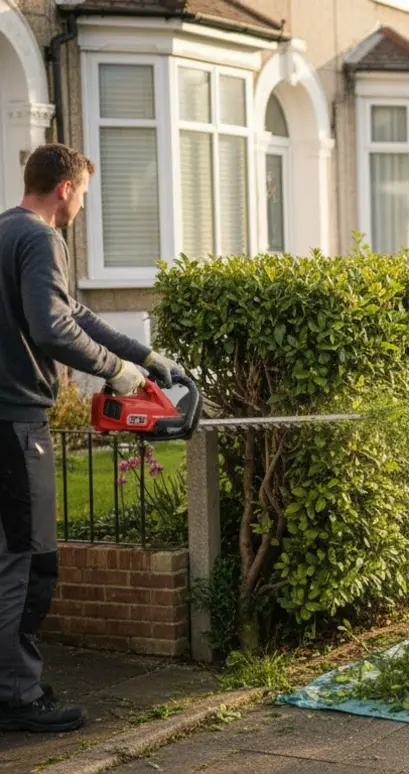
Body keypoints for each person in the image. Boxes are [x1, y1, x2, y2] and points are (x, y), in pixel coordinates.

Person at [0, 144, 183, 733]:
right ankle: (17, 700)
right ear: (66, 188)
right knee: (30, 565)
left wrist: (146, 357)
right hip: (16, 420)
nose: (82, 203)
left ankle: (12, 684)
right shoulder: (40, 238)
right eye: (83, 192)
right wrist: (114, 370)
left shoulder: (6, 230)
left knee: (10, 560)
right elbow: (54, 329)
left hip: (5, 419)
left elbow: (74, 312)